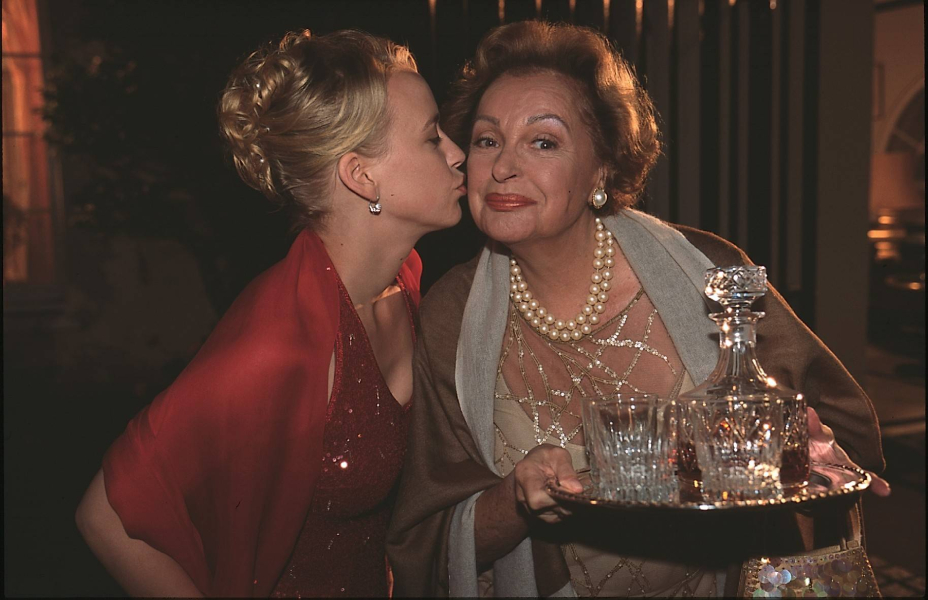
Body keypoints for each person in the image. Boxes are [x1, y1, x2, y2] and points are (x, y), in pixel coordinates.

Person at [387, 20, 888, 597]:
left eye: (543, 142)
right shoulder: (450, 315)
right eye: (486, 140)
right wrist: (515, 499)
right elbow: (423, 547)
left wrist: (802, 451)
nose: (503, 167)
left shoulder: (708, 274)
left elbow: (846, 439)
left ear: (602, 168)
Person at [75, 29, 465, 597]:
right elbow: (104, 518)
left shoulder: (403, 282)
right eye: (432, 137)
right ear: (361, 175)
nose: (457, 152)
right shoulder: (279, 341)